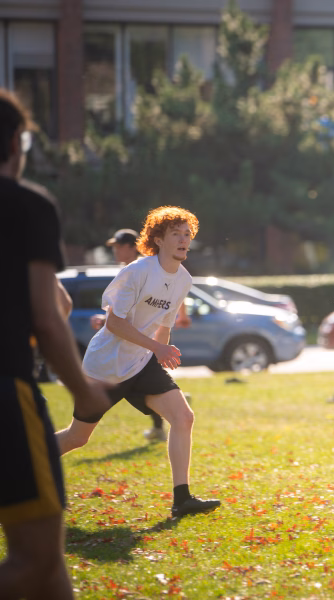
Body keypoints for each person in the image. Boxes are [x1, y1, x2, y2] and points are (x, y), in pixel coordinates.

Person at [0, 88, 111, 599]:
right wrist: (85, 390)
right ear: (15, 146)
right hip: (6, 394)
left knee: (52, 570)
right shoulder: (26, 207)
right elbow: (48, 315)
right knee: (36, 557)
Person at [55, 206, 220, 519]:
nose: (184, 240)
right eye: (176, 234)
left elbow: (165, 323)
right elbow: (114, 324)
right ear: (158, 239)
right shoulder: (137, 272)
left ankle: (182, 499)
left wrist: (163, 350)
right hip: (106, 366)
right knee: (78, 437)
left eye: (188, 234)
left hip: (142, 363)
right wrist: (157, 347)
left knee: (183, 418)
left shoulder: (183, 279)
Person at [92, 227, 192, 443]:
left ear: (130, 247)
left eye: (118, 247)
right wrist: (106, 320)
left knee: (165, 394)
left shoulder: (153, 266)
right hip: (122, 350)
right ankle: (166, 409)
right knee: (78, 435)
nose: (116, 251)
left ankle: (167, 409)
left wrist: (177, 319)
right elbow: (120, 315)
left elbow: (172, 297)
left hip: (152, 338)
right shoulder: (136, 269)